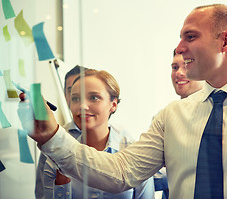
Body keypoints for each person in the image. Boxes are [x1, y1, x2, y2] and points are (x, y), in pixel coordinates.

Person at [24, 4, 227, 198]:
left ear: (225, 42)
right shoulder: (171, 116)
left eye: (190, 36)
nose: (179, 47)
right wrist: (52, 136)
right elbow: (120, 171)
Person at [43, 69, 155, 199]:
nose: (82, 106)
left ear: (113, 105)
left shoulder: (134, 153)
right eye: (75, 98)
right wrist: (62, 182)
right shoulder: (58, 156)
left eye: (94, 97)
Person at [154, 49, 205, 198]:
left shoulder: (216, 113)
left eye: (186, 65)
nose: (179, 73)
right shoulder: (164, 117)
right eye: (175, 67)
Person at [35, 65, 86, 199]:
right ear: (66, 96)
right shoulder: (53, 139)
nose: (79, 97)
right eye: (72, 90)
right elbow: (41, 193)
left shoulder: (121, 140)